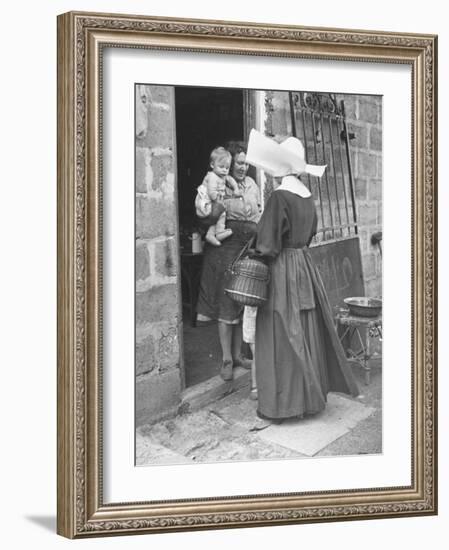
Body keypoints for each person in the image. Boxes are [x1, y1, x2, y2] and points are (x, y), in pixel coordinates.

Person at [246, 129, 359, 422]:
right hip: (303, 266)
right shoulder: (307, 197)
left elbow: (268, 244)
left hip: (282, 267)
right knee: (305, 328)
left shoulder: (279, 197)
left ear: (281, 169)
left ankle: (284, 405)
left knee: (279, 331)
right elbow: (308, 235)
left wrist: (253, 253)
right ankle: (309, 399)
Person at [196, 142, 261, 381]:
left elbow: (259, 212)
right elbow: (207, 215)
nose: (242, 168)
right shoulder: (218, 183)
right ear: (230, 164)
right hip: (225, 248)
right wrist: (219, 204)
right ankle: (226, 359)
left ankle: (238, 355)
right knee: (225, 302)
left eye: (246, 163)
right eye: (239, 163)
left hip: (248, 248)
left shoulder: (253, 185)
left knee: (241, 300)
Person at [195, 147, 241, 246]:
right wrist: (216, 199)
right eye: (221, 167)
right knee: (221, 213)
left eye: (227, 168)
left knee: (219, 214)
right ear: (212, 165)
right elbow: (211, 191)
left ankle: (210, 234)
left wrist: (236, 188)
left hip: (214, 201)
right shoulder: (212, 176)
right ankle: (219, 232)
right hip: (206, 202)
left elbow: (230, 180)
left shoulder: (222, 175)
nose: (224, 170)